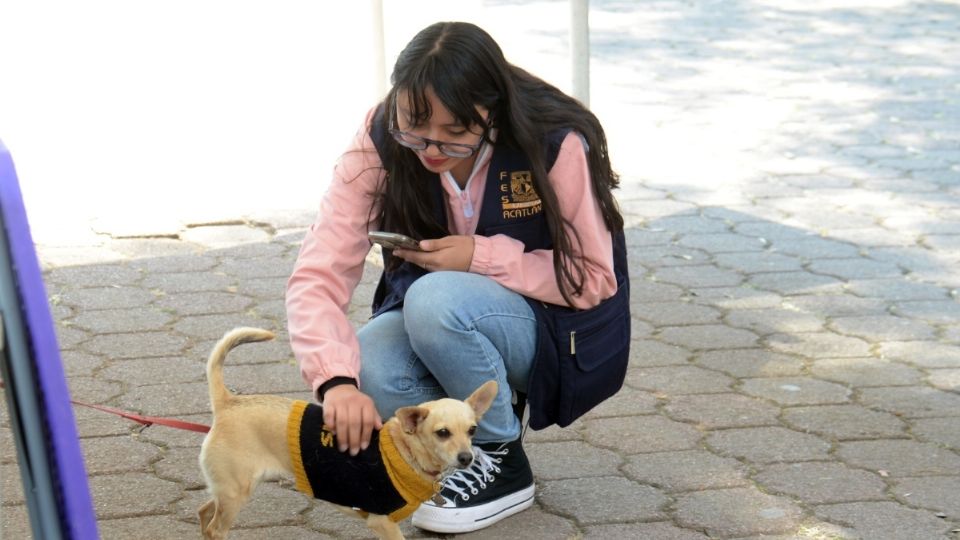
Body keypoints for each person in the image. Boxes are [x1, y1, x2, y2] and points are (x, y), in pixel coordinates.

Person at [286, 21, 629, 534]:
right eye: (414, 128)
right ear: (396, 99)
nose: (430, 148)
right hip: (448, 316)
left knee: (434, 299)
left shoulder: (556, 139)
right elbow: (318, 269)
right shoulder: (379, 135)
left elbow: (593, 279)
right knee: (372, 364)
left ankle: (501, 460)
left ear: (493, 112)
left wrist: (480, 257)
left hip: (555, 333)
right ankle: (444, 456)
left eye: (456, 134)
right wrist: (334, 382)